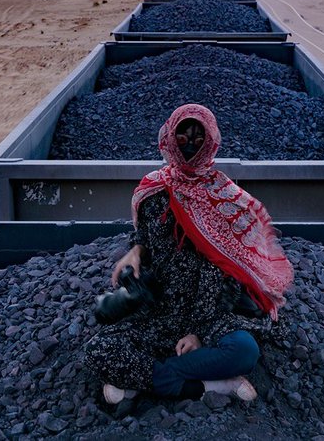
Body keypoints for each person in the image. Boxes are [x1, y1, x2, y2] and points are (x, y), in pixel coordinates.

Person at [83, 103, 294, 405]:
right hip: (160, 312)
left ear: (210, 142)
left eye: (199, 138)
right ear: (169, 138)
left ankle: (144, 380)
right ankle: (209, 386)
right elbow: (143, 236)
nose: (191, 145)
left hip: (208, 315)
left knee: (245, 350)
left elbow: (228, 274)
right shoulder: (152, 191)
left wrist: (197, 334)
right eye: (183, 137)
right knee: (98, 350)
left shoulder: (225, 197)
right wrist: (136, 251)